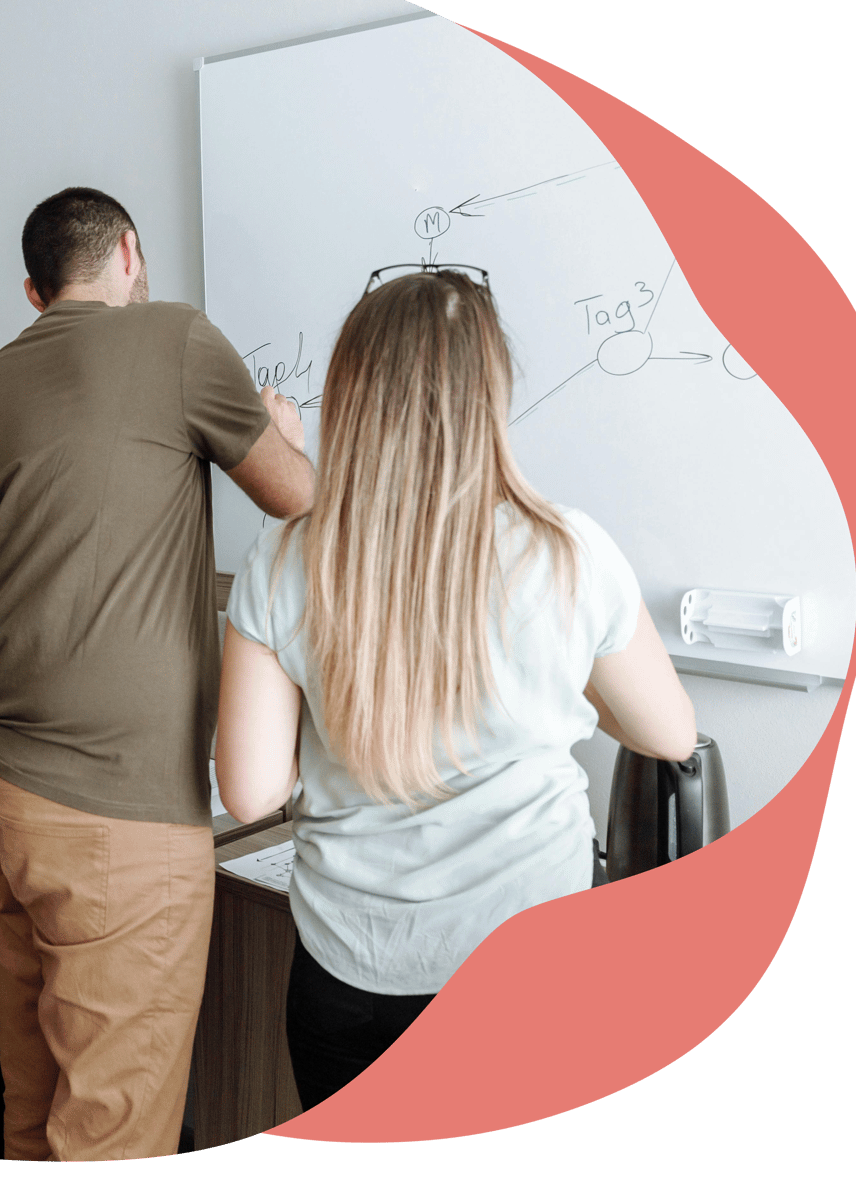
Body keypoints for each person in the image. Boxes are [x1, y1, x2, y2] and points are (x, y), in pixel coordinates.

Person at [214, 266, 697, 1110]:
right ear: (489, 395)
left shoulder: (286, 559)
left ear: (352, 394)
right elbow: (671, 735)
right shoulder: (568, 551)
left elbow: (249, 790)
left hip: (350, 973)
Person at [0, 186, 314, 1160]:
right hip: (114, 811)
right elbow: (296, 499)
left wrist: (32, 655)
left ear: (32, 290)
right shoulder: (174, 340)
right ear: (128, 252)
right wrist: (281, 433)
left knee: (37, 1094)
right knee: (114, 1129)